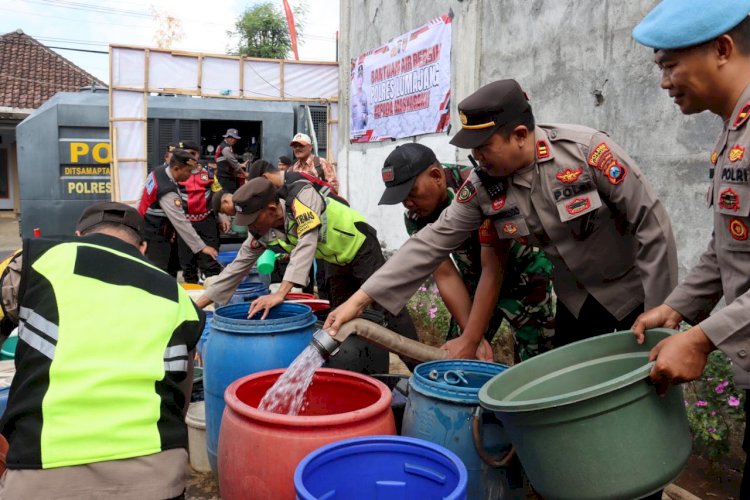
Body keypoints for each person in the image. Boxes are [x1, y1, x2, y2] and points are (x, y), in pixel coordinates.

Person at [325, 79, 678, 354]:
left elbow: (652, 223)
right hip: (577, 299)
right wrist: (359, 300)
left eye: (483, 147)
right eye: (471, 149)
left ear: (520, 135)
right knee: (571, 389)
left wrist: (663, 309)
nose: (476, 158)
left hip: (634, 293)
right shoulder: (483, 186)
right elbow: (431, 243)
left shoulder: (586, 154)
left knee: (647, 375)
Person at [0, 202, 204, 499]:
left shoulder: (32, 261)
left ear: (79, 235)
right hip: (155, 475)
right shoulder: (179, 299)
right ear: (143, 247)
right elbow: (180, 400)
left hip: (41, 471)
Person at [631, 2, 750, 496]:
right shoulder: (733, 129)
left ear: (722, 49)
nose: (664, 81)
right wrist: (678, 306)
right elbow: (730, 245)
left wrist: (701, 338)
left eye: (669, 64)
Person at [194, 177, 418, 367]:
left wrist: (280, 293)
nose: (250, 229)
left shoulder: (302, 197)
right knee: (339, 315)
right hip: (335, 259)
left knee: (386, 304)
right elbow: (236, 268)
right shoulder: (263, 231)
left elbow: (306, 243)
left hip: (360, 245)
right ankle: (356, 367)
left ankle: (419, 367)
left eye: (252, 221)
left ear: (271, 209)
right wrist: (195, 309)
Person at [379, 142, 555, 361]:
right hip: (474, 281)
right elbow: (445, 273)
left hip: (525, 276)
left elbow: (494, 265)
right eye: (401, 198)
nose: (407, 203)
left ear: (436, 175)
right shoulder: (417, 217)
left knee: (537, 361)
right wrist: (473, 338)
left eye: (411, 192)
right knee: (460, 355)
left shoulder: (478, 186)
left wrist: (474, 336)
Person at [137, 147, 219, 275]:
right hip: (155, 236)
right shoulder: (168, 191)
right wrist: (202, 247)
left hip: (149, 228)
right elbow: (181, 222)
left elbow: (142, 197)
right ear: (176, 169)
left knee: (169, 270)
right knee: (159, 273)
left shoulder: (158, 172)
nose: (190, 175)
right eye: (188, 172)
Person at [175, 140, 223, 283]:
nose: (187, 157)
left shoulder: (208, 171)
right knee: (187, 263)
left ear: (197, 155)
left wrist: (222, 217)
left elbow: (217, 192)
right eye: (184, 154)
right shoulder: (175, 171)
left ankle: (212, 295)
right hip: (185, 223)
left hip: (207, 222)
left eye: (191, 154)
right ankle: (192, 296)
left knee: (210, 261)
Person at [215, 128, 247, 193]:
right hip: (225, 177)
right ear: (227, 137)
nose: (234, 140)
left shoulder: (225, 146)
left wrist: (241, 165)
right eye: (231, 138)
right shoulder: (226, 148)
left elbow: (228, 161)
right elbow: (234, 163)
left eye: (235, 139)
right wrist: (244, 173)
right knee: (228, 196)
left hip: (225, 176)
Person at [351, 64, 369, 133]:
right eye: (358, 80)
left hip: (362, 129)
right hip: (354, 129)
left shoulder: (365, 95)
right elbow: (351, 115)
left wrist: (365, 117)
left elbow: (367, 112)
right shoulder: (353, 96)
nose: (360, 82)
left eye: (361, 80)